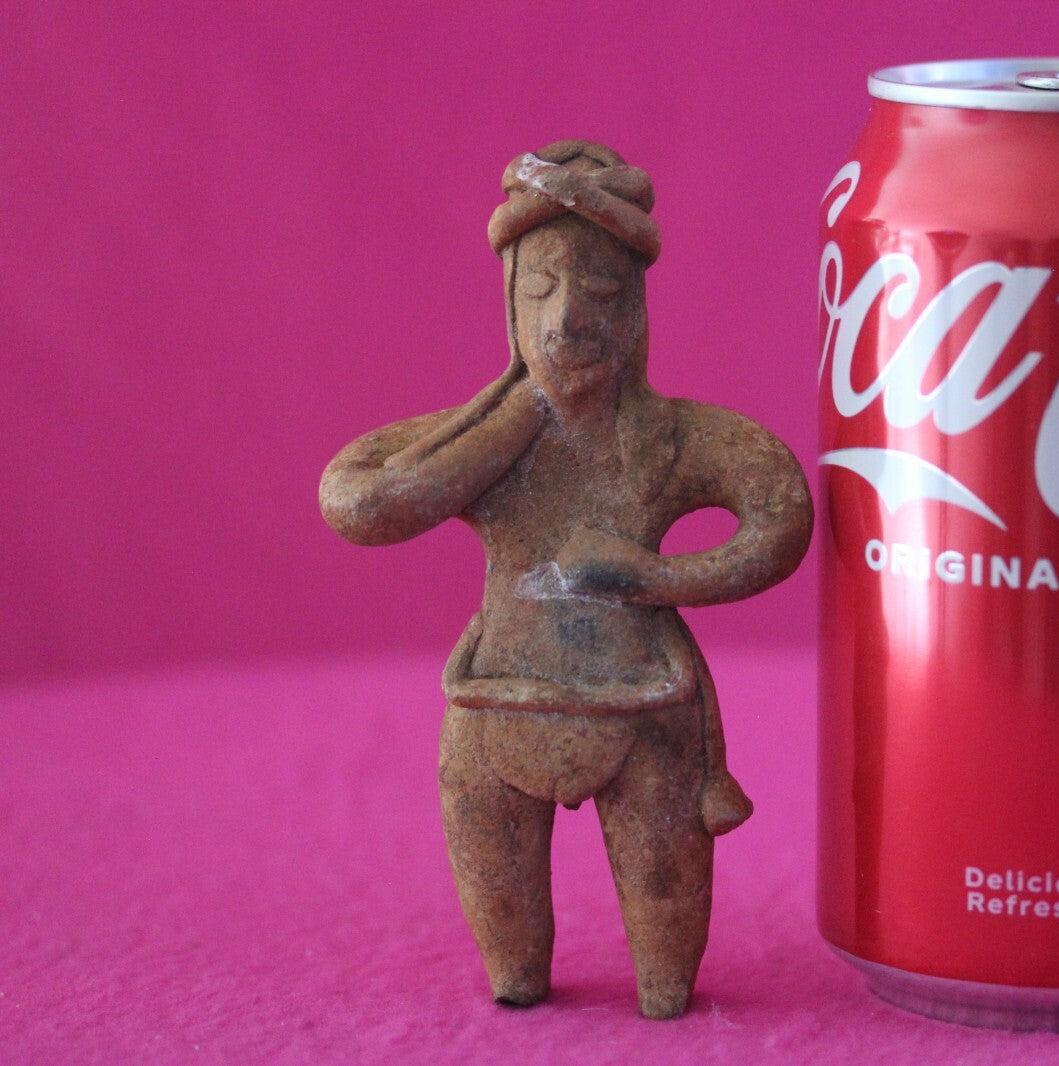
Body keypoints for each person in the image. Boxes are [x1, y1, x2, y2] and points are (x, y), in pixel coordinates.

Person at [318, 140, 812, 1019]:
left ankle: (663, 988)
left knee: (665, 941)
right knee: (509, 945)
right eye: (541, 290)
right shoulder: (484, 438)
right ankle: (518, 978)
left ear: (638, 311)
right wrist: (512, 420)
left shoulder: (676, 439)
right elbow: (360, 503)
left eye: (603, 293)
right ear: (509, 302)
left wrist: (651, 576)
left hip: (647, 711)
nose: (570, 321)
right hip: (495, 706)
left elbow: (779, 520)